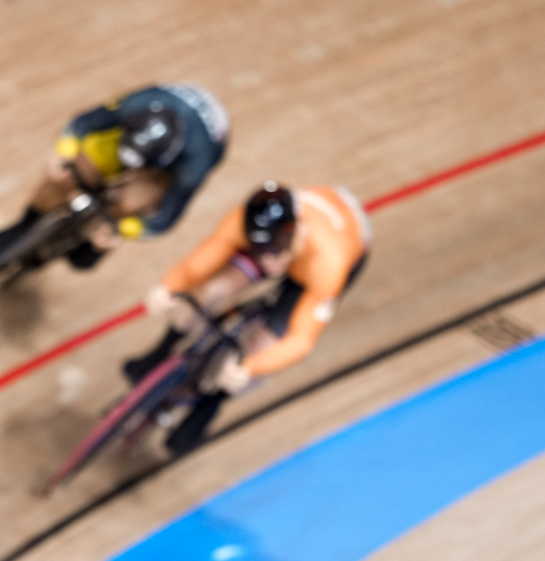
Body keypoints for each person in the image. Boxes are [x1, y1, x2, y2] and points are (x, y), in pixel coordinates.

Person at [123, 181, 371, 455]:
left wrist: (249, 368)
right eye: (260, 250)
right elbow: (201, 262)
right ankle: (160, 352)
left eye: (277, 250)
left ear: (297, 230)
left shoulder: (328, 264)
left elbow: (301, 341)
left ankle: (210, 406)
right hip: (302, 227)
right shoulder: (243, 222)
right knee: (213, 291)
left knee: (261, 346)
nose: (269, 262)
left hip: (340, 249)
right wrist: (169, 287)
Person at [0, 83, 230, 270]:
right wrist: (63, 154)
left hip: (175, 162)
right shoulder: (139, 104)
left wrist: (123, 229)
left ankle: (94, 243)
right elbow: (83, 123)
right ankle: (23, 226)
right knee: (69, 173)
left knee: (131, 203)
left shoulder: (194, 166)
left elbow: (165, 220)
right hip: (139, 136)